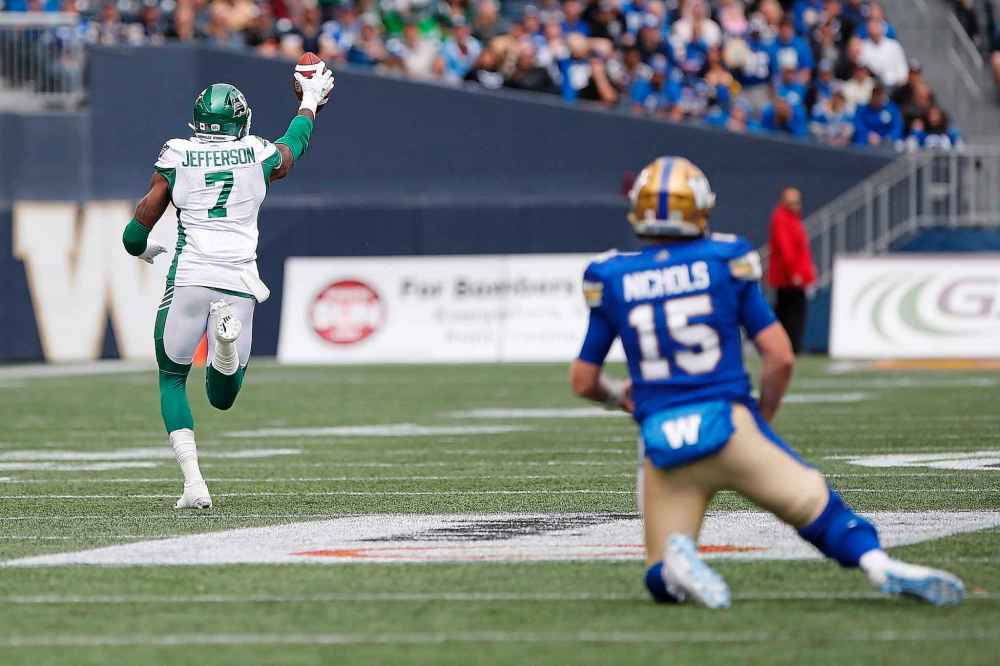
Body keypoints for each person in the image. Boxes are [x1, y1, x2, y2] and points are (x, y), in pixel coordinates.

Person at [569, 156, 965, 608]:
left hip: (664, 442)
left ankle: (677, 564)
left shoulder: (612, 275)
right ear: (699, 209)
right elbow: (779, 356)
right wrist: (762, 417)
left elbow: (584, 380)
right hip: (730, 426)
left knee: (658, 575)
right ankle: (877, 563)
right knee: (819, 509)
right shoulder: (724, 259)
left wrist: (621, 394)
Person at [120, 69, 335, 509]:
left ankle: (193, 483)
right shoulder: (255, 152)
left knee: (172, 379)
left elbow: (138, 224)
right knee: (223, 396)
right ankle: (223, 345)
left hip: (190, 276)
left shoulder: (178, 153)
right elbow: (291, 150)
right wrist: (309, 102)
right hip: (238, 280)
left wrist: (141, 248)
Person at [767, 186, 815, 354]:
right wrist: (794, 272)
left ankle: (790, 345)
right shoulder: (782, 218)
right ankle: (790, 346)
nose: (797, 205)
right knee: (790, 313)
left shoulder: (792, 219)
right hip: (787, 277)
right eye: (793, 202)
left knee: (789, 311)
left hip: (792, 275)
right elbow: (786, 247)